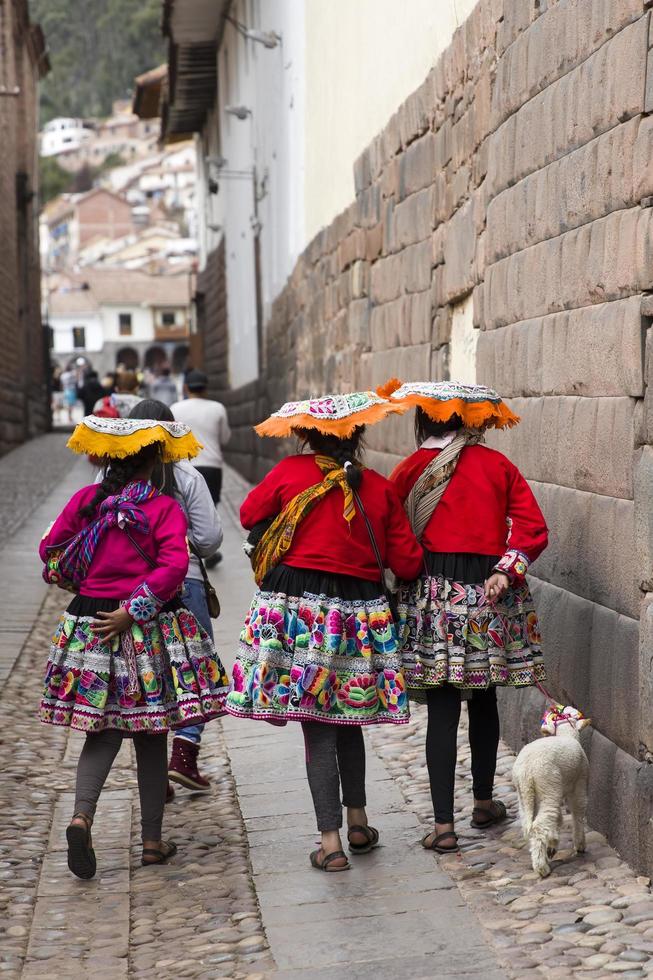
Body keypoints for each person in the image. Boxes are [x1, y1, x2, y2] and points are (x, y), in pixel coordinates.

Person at [226, 391, 423, 872]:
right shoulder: (376, 487)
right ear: (357, 436)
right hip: (358, 612)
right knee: (349, 713)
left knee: (317, 723)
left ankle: (330, 842)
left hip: (297, 614)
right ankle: (357, 820)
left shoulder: (289, 475)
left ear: (303, 435)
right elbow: (409, 562)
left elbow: (248, 514)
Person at [39, 415, 230, 879]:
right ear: (154, 463)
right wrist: (134, 608)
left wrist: (83, 576)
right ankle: (151, 842)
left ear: (107, 460)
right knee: (151, 731)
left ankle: (82, 816)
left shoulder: (87, 501)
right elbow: (171, 567)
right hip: (144, 627)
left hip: (91, 624)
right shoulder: (163, 508)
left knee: (100, 732)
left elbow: (50, 549)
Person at [383, 379, 549, 855]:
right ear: (466, 420)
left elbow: (393, 536)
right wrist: (506, 569)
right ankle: (482, 801)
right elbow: (533, 529)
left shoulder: (409, 470)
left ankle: (442, 826)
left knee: (440, 709)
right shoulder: (497, 465)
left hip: (429, 598)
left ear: (422, 421)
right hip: (485, 595)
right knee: (482, 699)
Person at [126, 400, 222, 795]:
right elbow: (208, 538)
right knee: (194, 670)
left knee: (143, 673)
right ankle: (183, 754)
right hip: (186, 584)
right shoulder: (187, 475)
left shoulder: (114, 478)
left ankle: (152, 776)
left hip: (130, 590)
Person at [171, 370, 230, 568]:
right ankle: (208, 549)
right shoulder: (218, 408)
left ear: (186, 387)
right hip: (211, 464)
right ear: (206, 387)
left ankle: (187, 547)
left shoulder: (175, 408)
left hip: (185, 465)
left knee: (183, 509)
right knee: (209, 506)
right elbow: (225, 438)